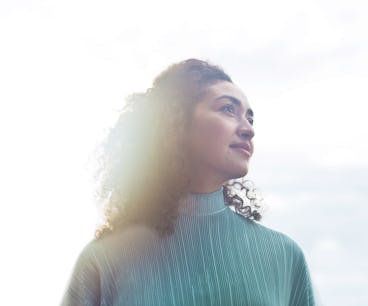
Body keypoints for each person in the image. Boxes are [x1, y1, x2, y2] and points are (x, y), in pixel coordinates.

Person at [61, 59, 317, 305]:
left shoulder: (284, 256)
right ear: (176, 122)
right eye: (228, 109)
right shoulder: (104, 260)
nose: (248, 129)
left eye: (250, 118)